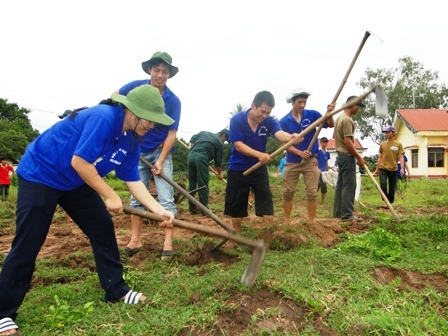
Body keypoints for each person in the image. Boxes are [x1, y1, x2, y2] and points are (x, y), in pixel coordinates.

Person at [0, 85, 175, 335]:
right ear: (134, 112)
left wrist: (159, 209)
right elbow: (79, 161)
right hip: (42, 173)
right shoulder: (104, 117)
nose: (152, 126)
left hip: (74, 181)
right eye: (150, 120)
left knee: (102, 227)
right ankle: (3, 313)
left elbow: (133, 180)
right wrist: (109, 194)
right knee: (29, 240)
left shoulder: (131, 141)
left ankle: (116, 290)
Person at [118, 51, 181, 260]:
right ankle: (135, 240)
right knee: (136, 198)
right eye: (157, 70)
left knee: (166, 198)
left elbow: (172, 133)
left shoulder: (173, 101)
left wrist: (161, 160)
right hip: (136, 151)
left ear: (169, 75)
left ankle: (168, 243)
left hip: (160, 152)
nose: (160, 75)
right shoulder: (135, 87)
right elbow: (115, 98)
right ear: (149, 70)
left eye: (165, 71)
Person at [224, 91, 302, 232]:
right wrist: (259, 154)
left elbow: (279, 134)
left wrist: (291, 137)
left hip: (259, 168)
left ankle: (268, 232)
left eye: (268, 112)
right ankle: (237, 233)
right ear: (254, 106)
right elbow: (238, 145)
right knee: (236, 203)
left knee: (266, 199)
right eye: (263, 111)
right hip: (238, 168)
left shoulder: (268, 121)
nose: (265, 116)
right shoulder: (237, 119)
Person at [279, 88, 335, 225]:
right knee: (288, 192)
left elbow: (330, 124)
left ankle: (311, 222)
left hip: (311, 161)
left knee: (312, 193)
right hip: (292, 161)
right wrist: (299, 153)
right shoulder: (284, 121)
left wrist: (330, 113)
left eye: (304, 102)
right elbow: (284, 144)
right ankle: (287, 221)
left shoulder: (312, 114)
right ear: (292, 102)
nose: (302, 105)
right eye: (299, 102)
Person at [333, 96, 366, 223]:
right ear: (353, 105)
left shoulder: (339, 118)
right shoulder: (347, 120)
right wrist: (359, 157)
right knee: (349, 185)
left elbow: (335, 136)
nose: (358, 109)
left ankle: (338, 212)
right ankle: (347, 215)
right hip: (346, 157)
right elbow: (348, 141)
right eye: (358, 106)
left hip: (340, 156)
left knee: (341, 185)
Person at [187, 129, 228, 214]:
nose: (225, 141)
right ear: (223, 135)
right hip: (201, 158)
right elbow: (218, 162)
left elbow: (192, 140)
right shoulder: (219, 143)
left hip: (191, 156)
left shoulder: (203, 132)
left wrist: (196, 149)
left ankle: (192, 208)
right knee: (203, 184)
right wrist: (220, 174)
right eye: (226, 139)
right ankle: (204, 209)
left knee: (192, 182)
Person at [373, 126, 405, 206]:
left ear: (393, 133)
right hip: (383, 168)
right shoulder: (382, 144)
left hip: (393, 169)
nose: (386, 134)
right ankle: (386, 201)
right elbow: (380, 157)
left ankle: (389, 203)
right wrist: (377, 169)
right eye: (386, 132)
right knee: (383, 185)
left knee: (392, 188)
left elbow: (401, 156)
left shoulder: (398, 144)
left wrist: (402, 167)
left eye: (388, 132)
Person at [317, 137, 330, 205]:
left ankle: (322, 202)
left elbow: (326, 162)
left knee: (324, 188)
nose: (325, 143)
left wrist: (327, 171)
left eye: (326, 142)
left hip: (324, 172)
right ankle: (315, 201)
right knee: (316, 186)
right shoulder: (318, 151)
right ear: (321, 142)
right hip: (317, 171)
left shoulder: (327, 152)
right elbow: (315, 161)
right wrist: (317, 168)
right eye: (323, 142)